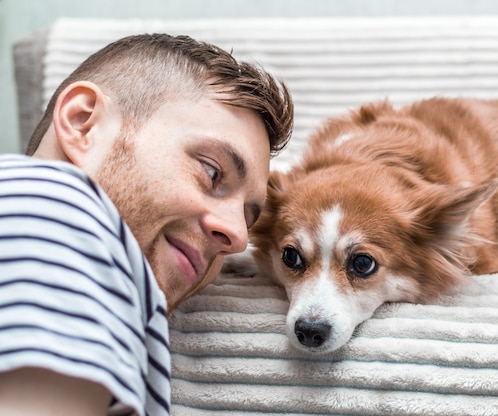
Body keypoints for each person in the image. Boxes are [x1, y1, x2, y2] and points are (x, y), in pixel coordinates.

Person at [0, 33, 293, 416]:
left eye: (246, 217)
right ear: (83, 123)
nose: (237, 238)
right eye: (211, 171)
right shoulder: (55, 203)